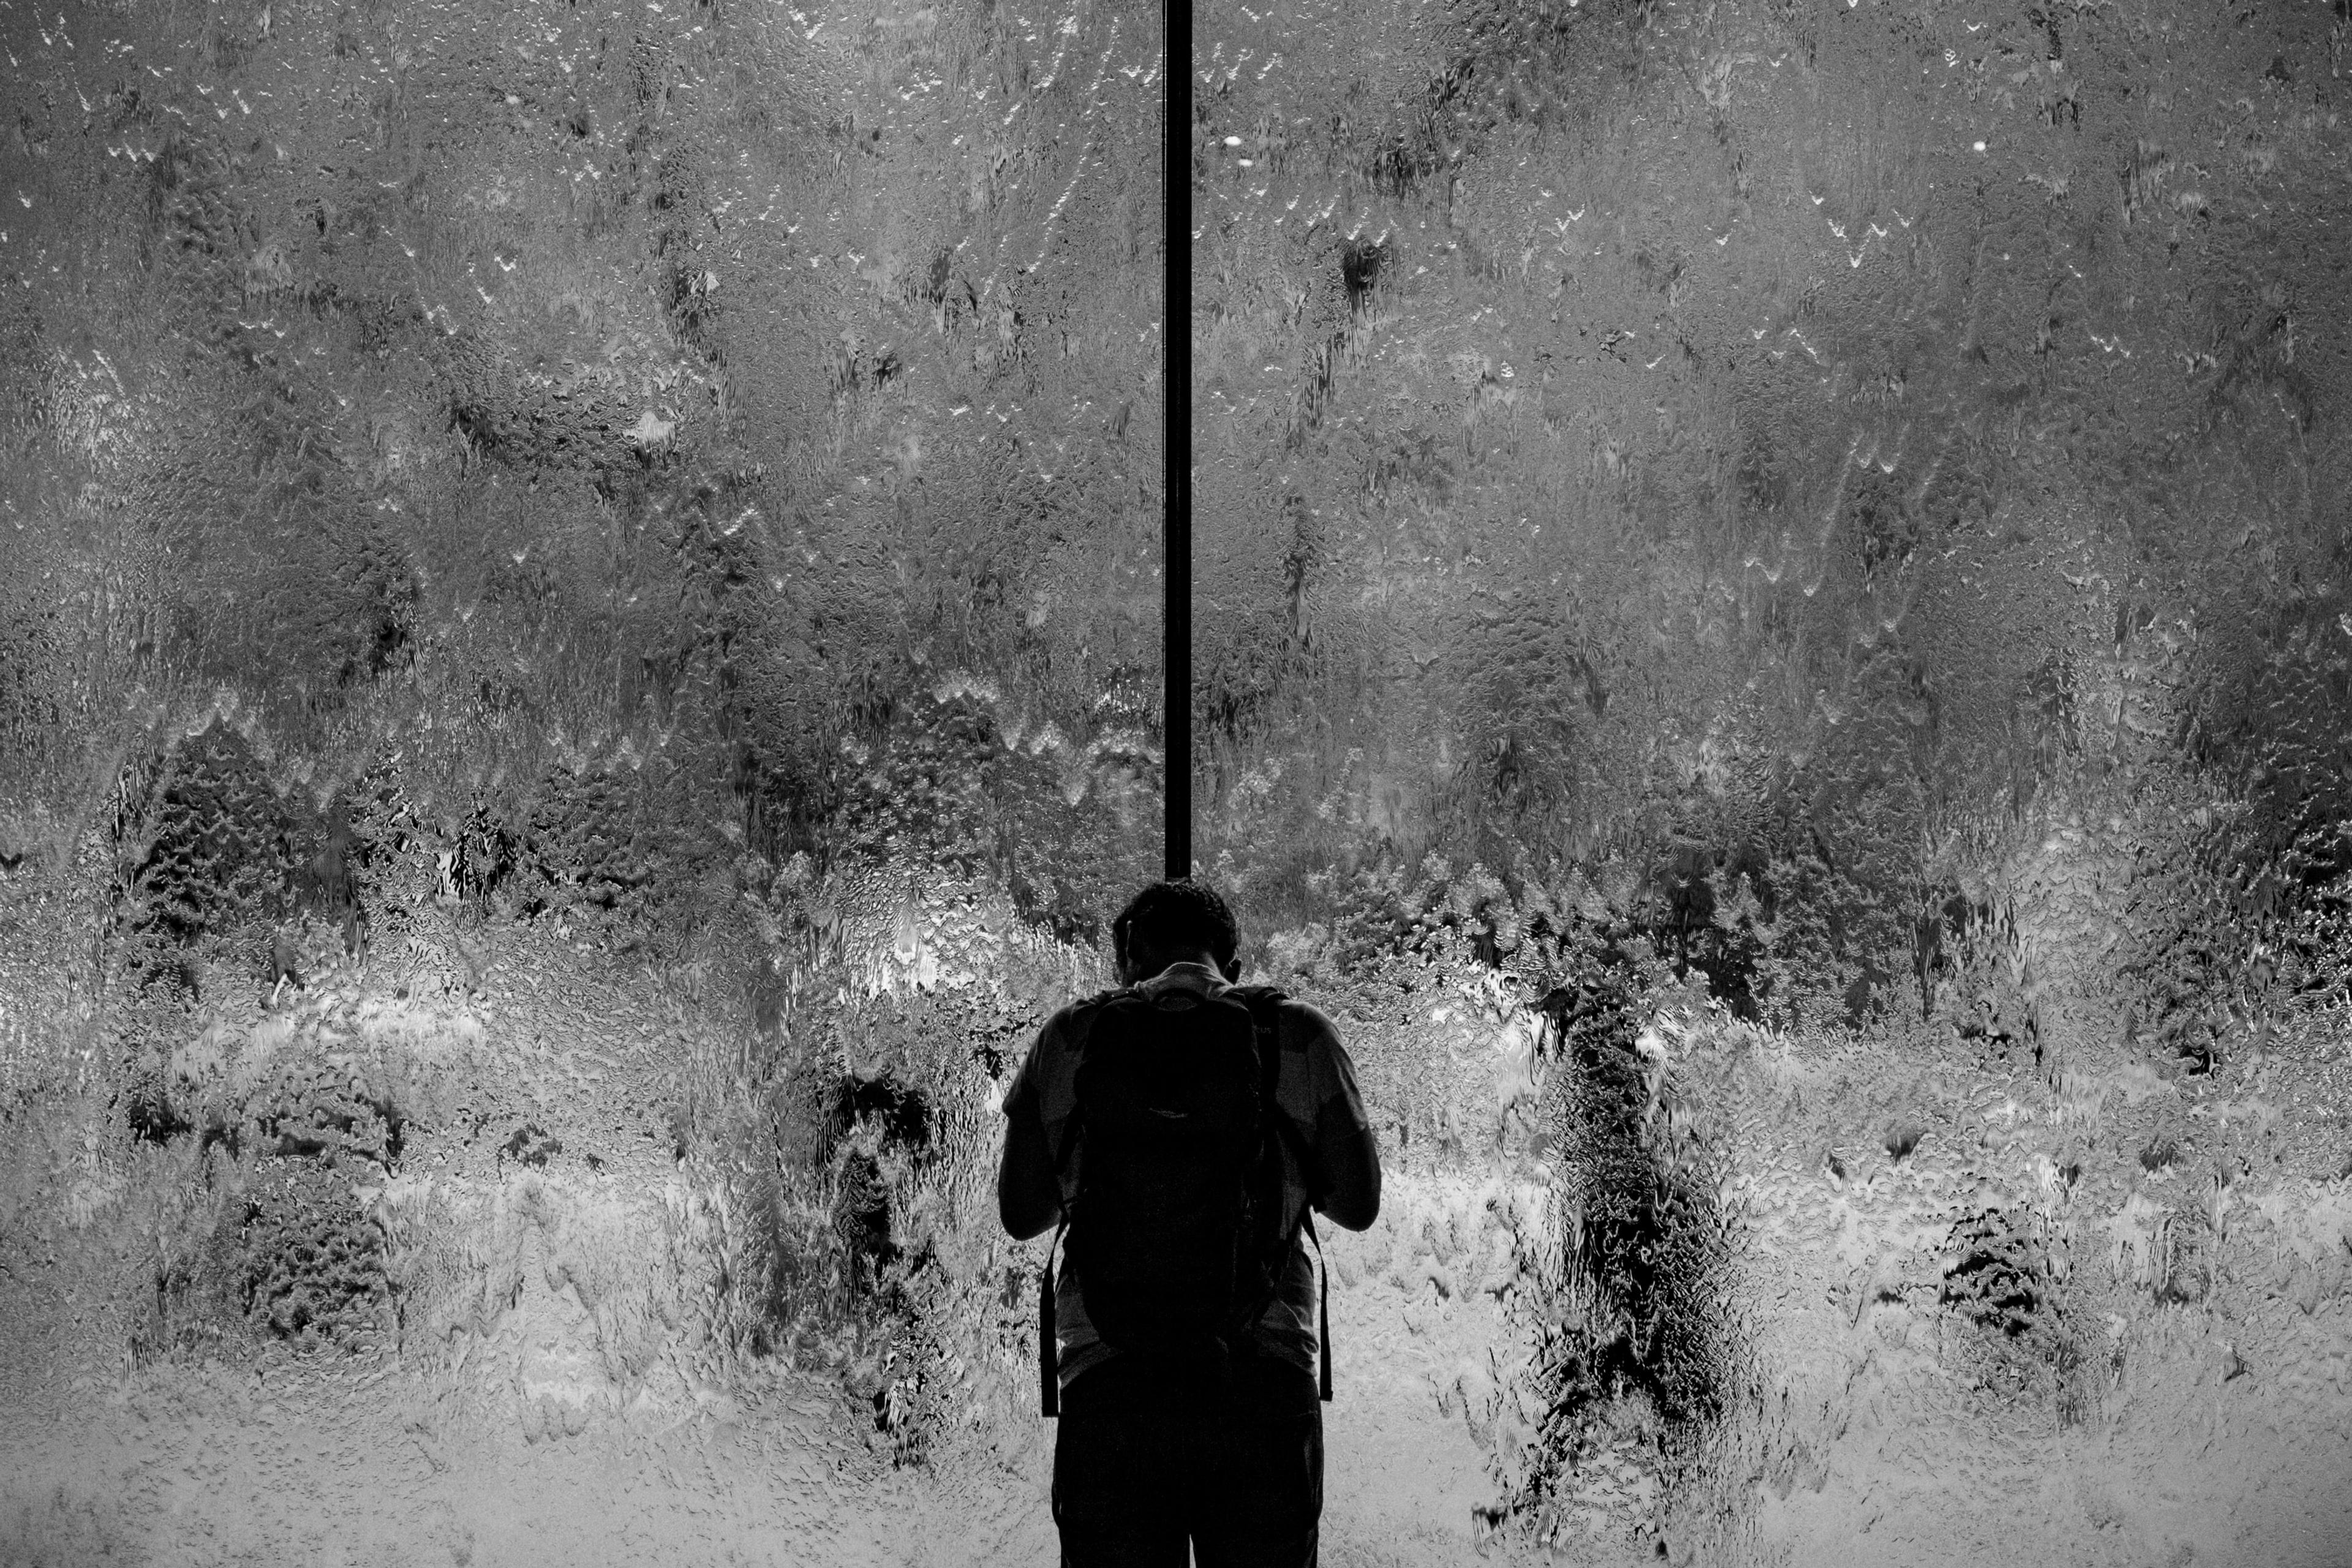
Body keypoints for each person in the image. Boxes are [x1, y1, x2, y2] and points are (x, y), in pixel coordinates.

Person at [998, 878, 1382, 1568]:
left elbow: (1021, 1213)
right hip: (1259, 1378)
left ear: (1128, 957)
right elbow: (1360, 1203)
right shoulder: (1298, 1031)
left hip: (1111, 1376)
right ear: (1231, 964)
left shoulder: (1073, 1036)